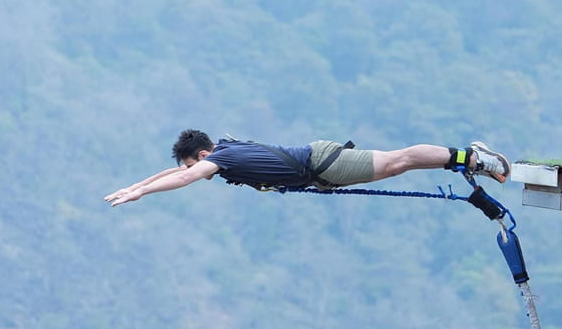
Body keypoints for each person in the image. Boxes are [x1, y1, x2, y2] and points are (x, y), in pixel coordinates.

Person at [105, 130, 510, 207]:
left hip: (321, 163)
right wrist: (136, 184)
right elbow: (171, 172)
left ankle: (471, 157)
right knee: (394, 166)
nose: (198, 171)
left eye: (196, 163)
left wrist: (141, 194)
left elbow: (182, 176)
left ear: (204, 154)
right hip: (321, 167)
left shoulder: (219, 160)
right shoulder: (225, 150)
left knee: (396, 161)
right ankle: (462, 159)